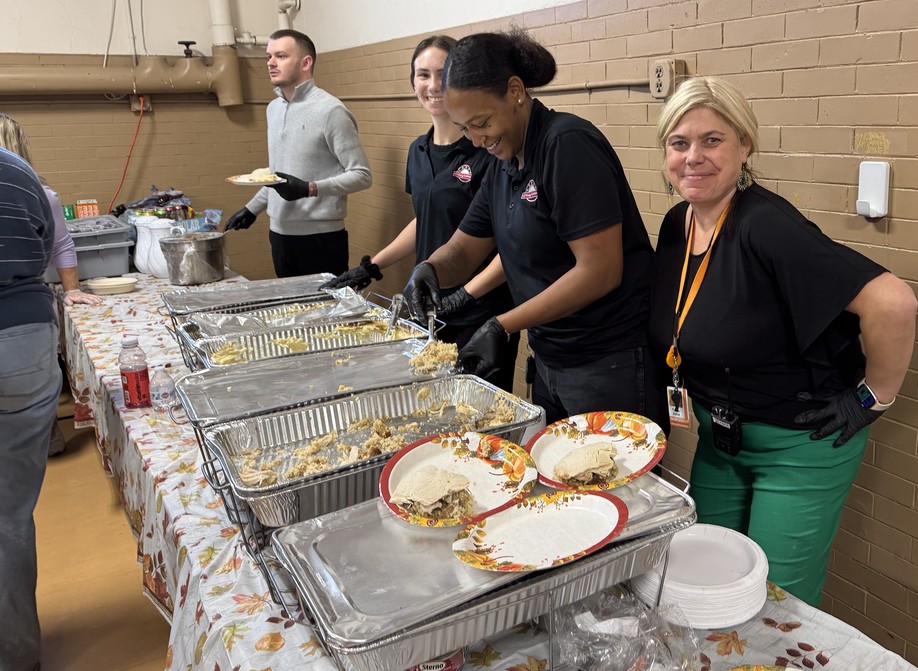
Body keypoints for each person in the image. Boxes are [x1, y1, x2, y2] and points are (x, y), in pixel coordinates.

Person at [648, 76, 918, 606]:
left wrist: (872, 398)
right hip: (722, 440)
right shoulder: (678, 222)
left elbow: (893, 303)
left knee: (776, 605)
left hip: (798, 446)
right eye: (679, 144)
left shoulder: (764, 224)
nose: (693, 157)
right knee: (702, 581)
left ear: (744, 146)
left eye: (712, 140)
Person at [404, 28, 660, 424]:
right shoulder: (505, 166)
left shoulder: (566, 145)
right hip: (549, 357)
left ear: (516, 91)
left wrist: (501, 324)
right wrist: (431, 270)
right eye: (465, 128)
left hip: (606, 360)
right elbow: (464, 249)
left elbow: (600, 271)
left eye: (481, 122)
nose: (475, 139)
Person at [322, 35, 519, 391]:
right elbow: (424, 218)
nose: (432, 85)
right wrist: (373, 266)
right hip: (431, 302)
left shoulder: (486, 147)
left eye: (442, 74)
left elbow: (511, 240)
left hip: (481, 306)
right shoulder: (419, 150)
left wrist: (464, 297)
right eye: (422, 74)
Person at [225, 29, 372, 278]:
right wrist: (252, 209)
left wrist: (309, 188)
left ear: (306, 62)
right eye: (269, 56)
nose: (271, 62)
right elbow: (277, 175)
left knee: (325, 315)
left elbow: (362, 175)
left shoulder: (330, 111)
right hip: (279, 234)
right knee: (293, 312)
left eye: (281, 56)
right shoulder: (273, 109)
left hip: (321, 238)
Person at [0, 113, 104, 458]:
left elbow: (61, 244)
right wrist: (71, 289)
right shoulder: (35, 190)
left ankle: (47, 438)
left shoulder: (40, 192)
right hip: (27, 312)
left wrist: (71, 290)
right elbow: (60, 244)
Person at [0, 146, 61, 671]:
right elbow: (44, 247)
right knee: (7, 515)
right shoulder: (19, 170)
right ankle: (15, 665)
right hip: (20, 341)